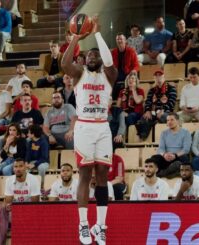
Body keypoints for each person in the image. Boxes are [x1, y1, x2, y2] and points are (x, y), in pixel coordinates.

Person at [61, 17, 118, 245]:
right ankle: (83, 224)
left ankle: (101, 226)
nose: (93, 58)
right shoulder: (78, 73)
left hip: (103, 126)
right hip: (84, 126)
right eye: (90, 56)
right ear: (85, 60)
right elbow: (65, 64)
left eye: (96, 56)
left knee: (103, 175)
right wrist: (76, 37)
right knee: (85, 175)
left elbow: (110, 61)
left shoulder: (109, 75)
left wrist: (96, 34)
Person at [136, 70, 177, 140]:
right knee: (144, 118)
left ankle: (167, 138)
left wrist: (163, 110)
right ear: (154, 78)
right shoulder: (151, 90)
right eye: (156, 76)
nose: (158, 77)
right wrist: (147, 111)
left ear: (164, 77)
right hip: (153, 112)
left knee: (166, 117)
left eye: (160, 75)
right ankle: (143, 139)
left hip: (166, 112)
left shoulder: (171, 88)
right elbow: (148, 102)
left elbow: (171, 103)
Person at [154, 113, 192, 178]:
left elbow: (186, 149)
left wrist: (175, 155)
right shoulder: (164, 133)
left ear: (177, 121)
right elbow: (161, 148)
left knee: (182, 161)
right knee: (154, 158)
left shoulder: (186, 132)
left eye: (172, 120)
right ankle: (170, 173)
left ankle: (161, 174)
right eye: (168, 120)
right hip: (167, 157)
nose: (169, 122)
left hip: (179, 156)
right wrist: (164, 155)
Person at [111, 33, 139, 100]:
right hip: (117, 73)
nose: (119, 41)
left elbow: (136, 65)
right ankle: (113, 100)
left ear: (125, 41)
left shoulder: (131, 51)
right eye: (117, 39)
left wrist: (134, 70)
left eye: (121, 39)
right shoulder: (113, 52)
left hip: (128, 73)